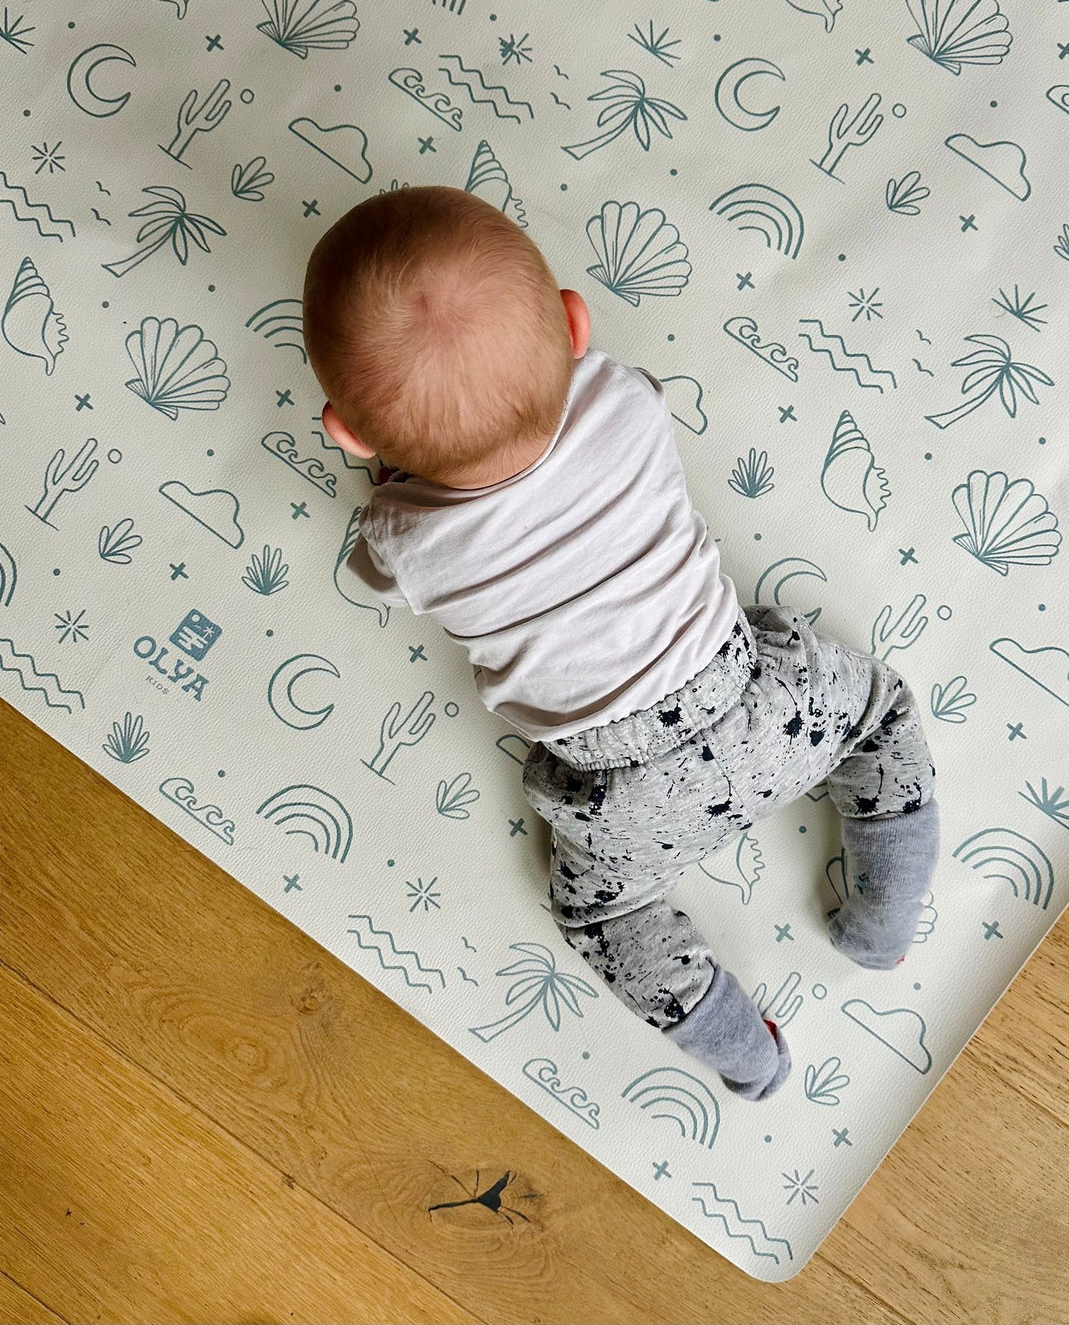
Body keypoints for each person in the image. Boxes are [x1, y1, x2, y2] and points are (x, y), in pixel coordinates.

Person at [302, 185, 939, 1102]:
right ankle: (885, 918)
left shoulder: (403, 541)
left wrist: (404, 480)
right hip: (757, 700)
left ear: (348, 434)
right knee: (879, 715)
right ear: (574, 325)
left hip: (619, 801)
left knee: (602, 916)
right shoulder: (622, 400)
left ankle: (745, 1051)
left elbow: (378, 576)